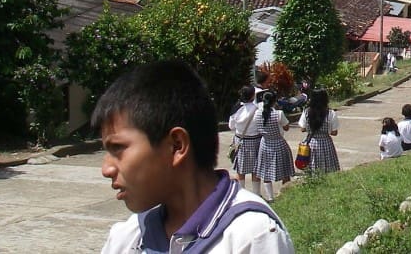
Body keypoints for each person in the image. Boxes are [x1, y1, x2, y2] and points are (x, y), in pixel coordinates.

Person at [93, 60, 293, 253]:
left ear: (177, 146)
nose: (106, 169)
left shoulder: (253, 237)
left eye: (118, 148)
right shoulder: (127, 238)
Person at [256, 91, 295, 201]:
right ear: (274, 101)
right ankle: (285, 195)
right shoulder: (278, 113)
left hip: (265, 143)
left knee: (266, 172)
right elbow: (286, 127)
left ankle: (270, 197)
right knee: (285, 170)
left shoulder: (257, 113)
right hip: (278, 143)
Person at [228, 86, 262, 194]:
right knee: (255, 170)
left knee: (240, 170)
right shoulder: (258, 109)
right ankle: (256, 194)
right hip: (255, 140)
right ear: (253, 96)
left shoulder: (236, 109)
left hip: (240, 141)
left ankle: (241, 193)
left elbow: (231, 126)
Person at [298, 88, 339, 173]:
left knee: (312, 166)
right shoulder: (330, 113)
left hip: (311, 143)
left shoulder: (306, 112)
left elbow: (302, 129)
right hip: (326, 142)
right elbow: (334, 132)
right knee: (328, 167)